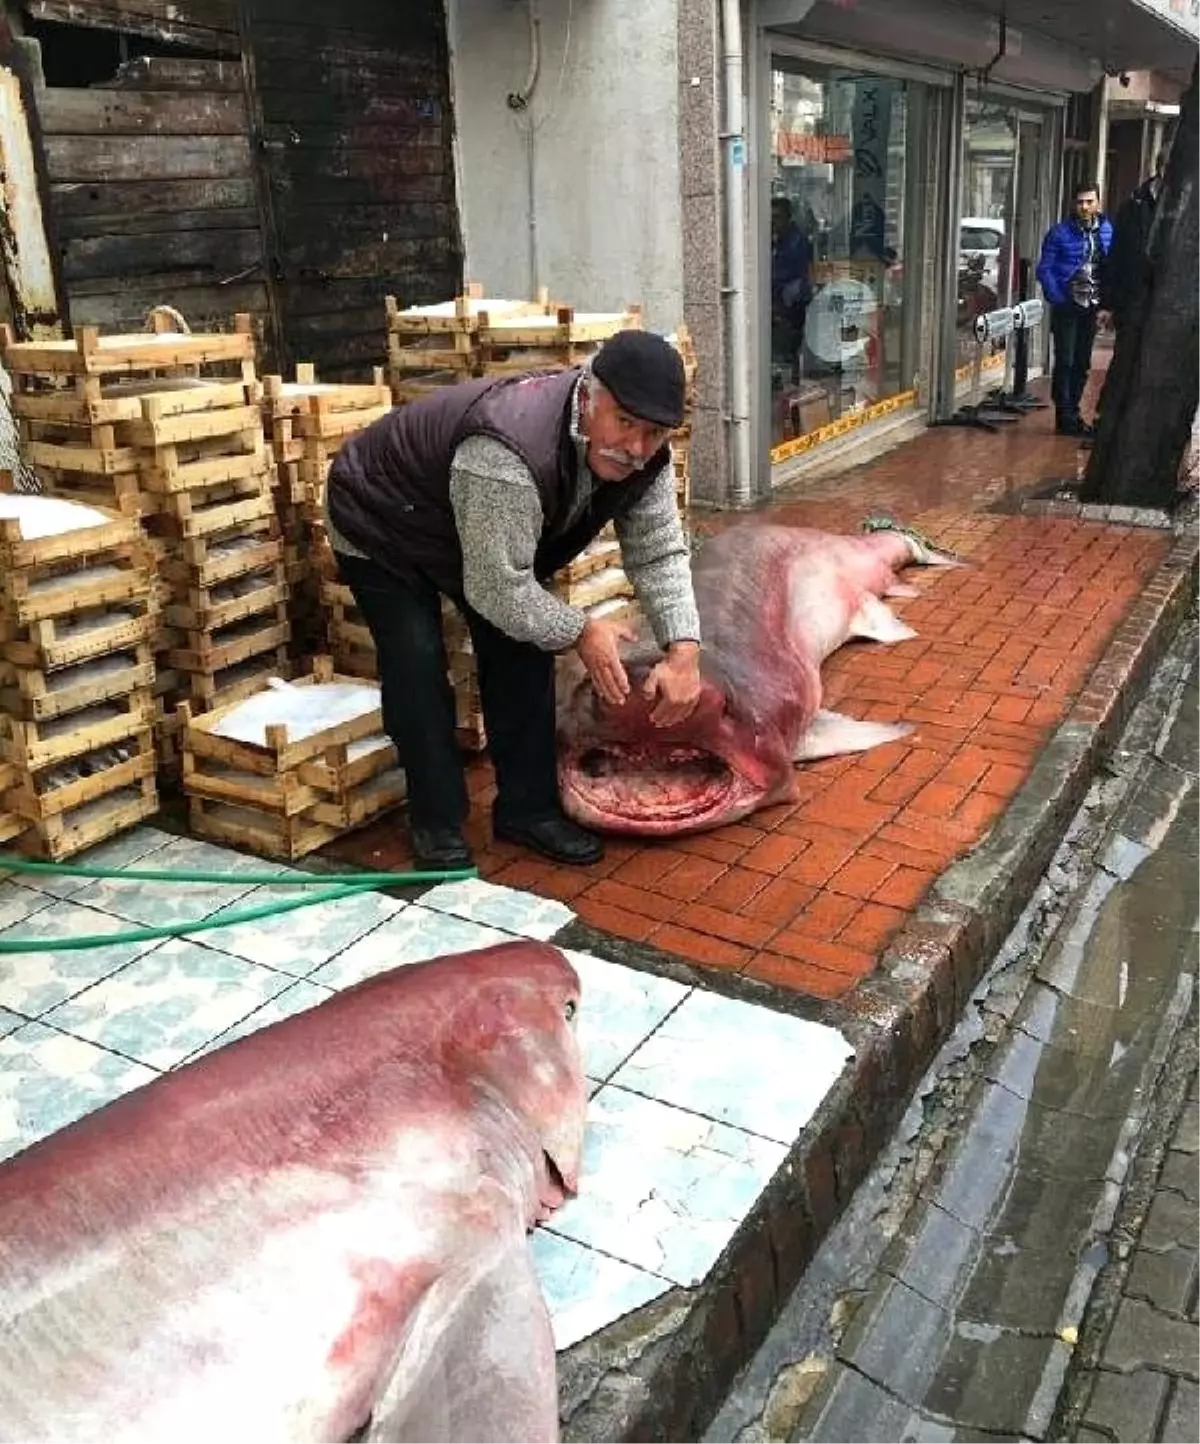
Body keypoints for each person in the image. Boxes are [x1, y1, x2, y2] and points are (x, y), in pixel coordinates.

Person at [323, 328, 703, 873]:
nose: (637, 447)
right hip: (381, 519)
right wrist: (580, 629)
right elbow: (497, 589)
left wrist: (684, 647)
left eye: (655, 432)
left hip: (472, 525)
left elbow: (659, 552)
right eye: (625, 423)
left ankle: (527, 810)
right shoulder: (505, 453)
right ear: (589, 397)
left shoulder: (645, 460)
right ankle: (436, 821)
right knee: (417, 660)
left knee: (522, 650)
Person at [1035, 181, 1114, 437]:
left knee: (1081, 362)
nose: (1084, 206)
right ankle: (1065, 413)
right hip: (1067, 304)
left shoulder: (1106, 230)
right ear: (1073, 204)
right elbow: (1044, 269)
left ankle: (1074, 409)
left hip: (1091, 306)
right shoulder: (1059, 233)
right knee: (1065, 360)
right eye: (1080, 202)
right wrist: (1057, 297)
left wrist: (1107, 304)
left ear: (1098, 203)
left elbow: (1111, 267)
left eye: (1089, 201)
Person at [1107, 148, 1168, 331]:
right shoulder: (1132, 205)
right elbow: (1117, 254)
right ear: (1161, 168)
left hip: (1168, 307)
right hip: (1133, 302)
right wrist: (1111, 303)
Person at [771, 196, 815, 382]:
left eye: (777, 217)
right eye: (771, 218)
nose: (773, 222)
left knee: (788, 349)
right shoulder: (777, 240)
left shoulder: (797, 242)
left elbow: (794, 275)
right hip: (780, 302)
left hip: (792, 304)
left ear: (788, 218)